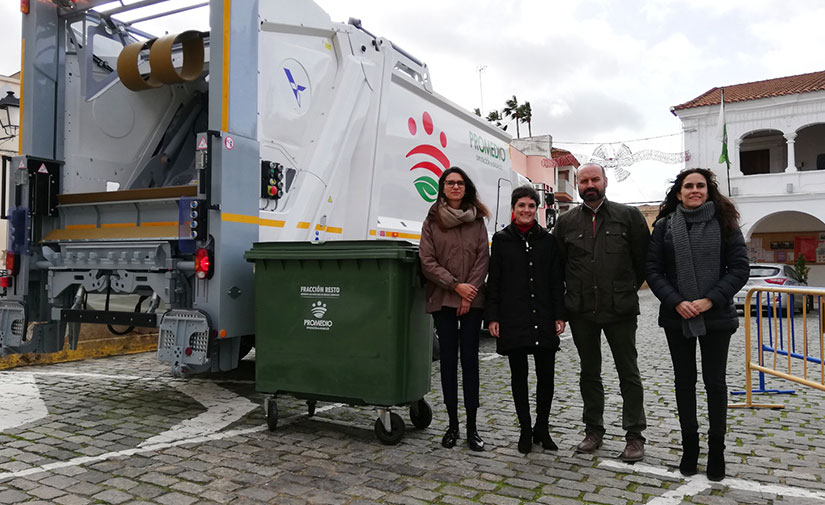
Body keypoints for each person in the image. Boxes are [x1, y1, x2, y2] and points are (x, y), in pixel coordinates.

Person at [645, 168, 748, 481]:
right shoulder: (663, 227)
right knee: (684, 381)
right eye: (688, 186)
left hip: (716, 316)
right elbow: (653, 270)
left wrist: (709, 300)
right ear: (679, 193)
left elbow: (739, 268)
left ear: (708, 191)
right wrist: (677, 301)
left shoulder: (726, 224)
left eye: (700, 186)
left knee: (715, 384)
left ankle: (717, 450)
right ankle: (690, 447)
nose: (694, 190)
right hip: (678, 317)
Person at [553, 162, 650, 462]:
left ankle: (634, 436)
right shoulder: (566, 223)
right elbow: (558, 267)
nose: (589, 185)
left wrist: (624, 290)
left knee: (628, 373)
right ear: (578, 186)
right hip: (581, 310)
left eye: (595, 179)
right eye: (584, 181)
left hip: (619, 310)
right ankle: (593, 430)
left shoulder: (628, 216)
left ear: (605, 181)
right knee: (589, 373)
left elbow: (643, 261)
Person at [487, 186, 566, 454]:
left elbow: (556, 281)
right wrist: (493, 316)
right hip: (513, 317)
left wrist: (559, 314)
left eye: (531, 206)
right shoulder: (501, 240)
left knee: (546, 378)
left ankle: (542, 428)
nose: (526, 210)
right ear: (513, 208)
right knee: (518, 377)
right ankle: (524, 428)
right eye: (521, 205)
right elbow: (494, 281)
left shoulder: (547, 240)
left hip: (543, 316)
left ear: (537, 209)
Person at [419, 166, 490, 452]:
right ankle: (452, 426)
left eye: (460, 183)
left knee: (470, 364)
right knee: (448, 364)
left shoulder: (477, 219)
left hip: (472, 302)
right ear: (443, 187)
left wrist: (468, 293)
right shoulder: (433, 219)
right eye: (450, 183)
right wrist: (455, 287)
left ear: (466, 187)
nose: (455, 187)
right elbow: (427, 260)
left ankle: (472, 428)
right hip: (443, 298)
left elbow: (483, 258)